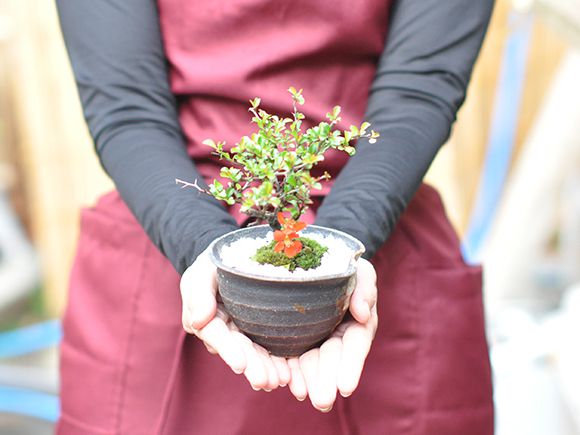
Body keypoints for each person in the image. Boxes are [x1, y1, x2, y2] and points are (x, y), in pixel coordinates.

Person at [55, 0, 495, 433]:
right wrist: (207, 247)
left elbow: (419, 91)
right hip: (166, 239)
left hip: (381, 240)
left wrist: (335, 254)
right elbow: (127, 105)